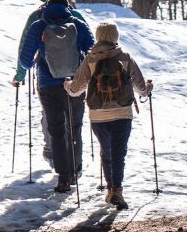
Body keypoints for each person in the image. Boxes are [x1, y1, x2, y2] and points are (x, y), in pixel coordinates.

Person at [64, 21, 151, 210]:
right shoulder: (125, 57)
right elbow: (141, 88)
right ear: (115, 37)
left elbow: (76, 90)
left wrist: (68, 86)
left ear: (98, 36)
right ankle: (117, 191)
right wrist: (148, 90)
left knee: (106, 150)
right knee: (119, 152)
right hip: (122, 113)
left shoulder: (90, 59)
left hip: (98, 116)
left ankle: (111, 190)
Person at [18, 0, 93, 193]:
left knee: (57, 130)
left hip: (48, 85)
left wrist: (37, 59)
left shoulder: (38, 26)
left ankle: (63, 177)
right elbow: (92, 51)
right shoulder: (78, 24)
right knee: (75, 126)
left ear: (47, 1)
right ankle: (76, 169)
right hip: (75, 83)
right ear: (68, 3)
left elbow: (25, 61)